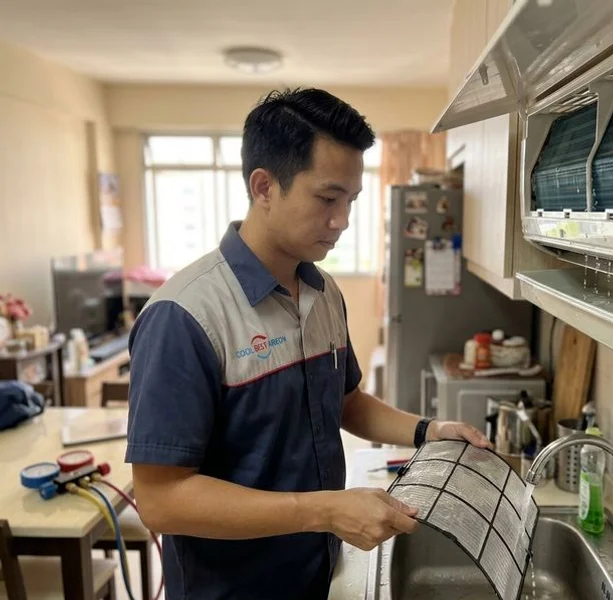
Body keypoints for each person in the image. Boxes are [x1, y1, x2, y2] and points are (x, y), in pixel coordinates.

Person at [125, 88, 492, 600]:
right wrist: (325, 509)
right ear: (264, 186)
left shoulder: (322, 292)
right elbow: (161, 500)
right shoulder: (185, 316)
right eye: (327, 198)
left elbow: (344, 402)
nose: (341, 220)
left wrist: (430, 431)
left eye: (350, 201)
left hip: (319, 573)